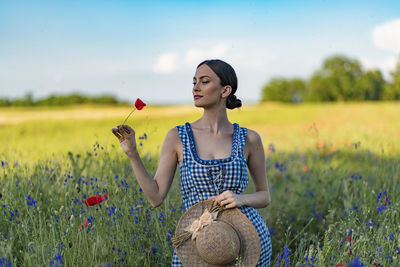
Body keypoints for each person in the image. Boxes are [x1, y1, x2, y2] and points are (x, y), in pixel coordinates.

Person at [112, 59, 272, 266]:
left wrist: (241, 199)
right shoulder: (177, 137)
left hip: (246, 241)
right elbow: (156, 197)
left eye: (204, 81)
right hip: (196, 243)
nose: (195, 87)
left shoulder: (249, 138)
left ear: (225, 91)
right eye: (194, 81)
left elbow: (264, 196)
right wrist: (132, 153)